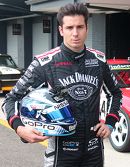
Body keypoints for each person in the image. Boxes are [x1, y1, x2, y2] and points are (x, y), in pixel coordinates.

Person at [2, 2, 122, 167]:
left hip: (94, 151)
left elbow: (115, 93)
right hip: (61, 153)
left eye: (80, 27)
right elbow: (12, 99)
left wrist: (110, 122)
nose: (75, 33)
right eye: (69, 28)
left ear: (87, 28)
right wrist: (19, 128)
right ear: (61, 30)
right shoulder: (45, 63)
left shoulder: (99, 60)